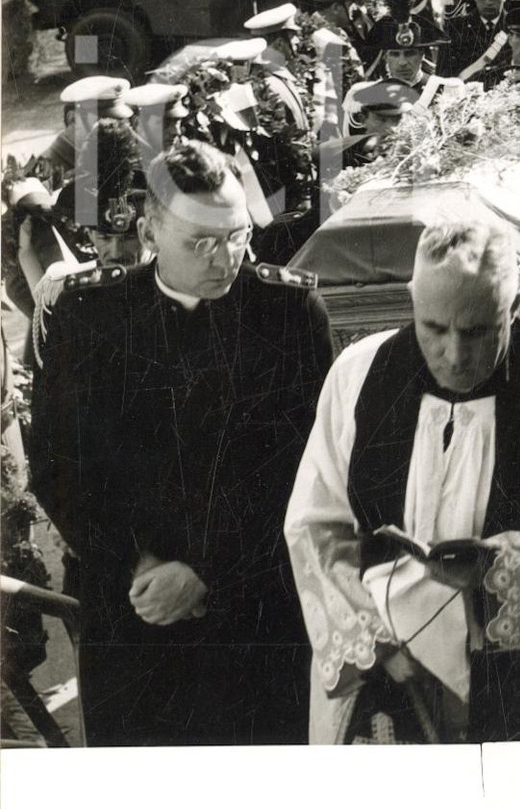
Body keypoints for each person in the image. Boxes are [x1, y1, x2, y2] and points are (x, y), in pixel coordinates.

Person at [285, 217, 520, 743]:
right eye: (433, 328)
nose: (454, 356)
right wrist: (373, 639)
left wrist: (496, 571)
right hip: (386, 675)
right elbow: (314, 527)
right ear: (412, 301)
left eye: (477, 331)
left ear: (515, 306)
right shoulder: (357, 375)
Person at [28, 141, 334, 745]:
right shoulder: (88, 318)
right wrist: (140, 564)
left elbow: (307, 468)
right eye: (201, 243)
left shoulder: (290, 313)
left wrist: (207, 571)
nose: (226, 259)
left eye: (237, 236)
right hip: (135, 618)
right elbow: (57, 468)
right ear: (150, 233)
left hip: (256, 618)